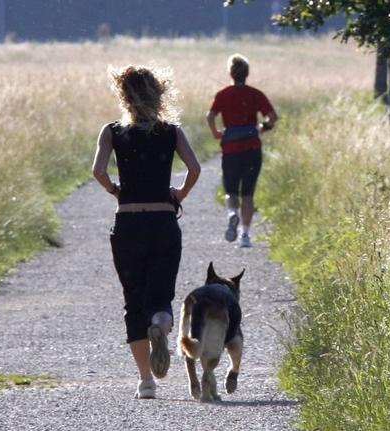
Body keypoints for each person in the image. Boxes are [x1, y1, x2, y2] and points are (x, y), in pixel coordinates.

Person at [92, 65, 201, 399]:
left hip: (128, 223)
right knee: (160, 295)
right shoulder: (171, 132)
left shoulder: (111, 131)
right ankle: (161, 321)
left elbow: (97, 171)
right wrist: (178, 194)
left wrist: (115, 190)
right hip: (163, 222)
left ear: (123, 95)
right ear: (159, 94)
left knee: (132, 301)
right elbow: (194, 169)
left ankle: (146, 382)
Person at [206, 54, 277, 248]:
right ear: (247, 73)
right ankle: (244, 235)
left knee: (230, 190)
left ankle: (232, 214)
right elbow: (272, 116)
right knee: (248, 194)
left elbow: (210, 116)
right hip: (252, 148)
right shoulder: (255, 94)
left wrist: (216, 133)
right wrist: (262, 128)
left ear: (230, 73)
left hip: (230, 149)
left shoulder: (222, 95)